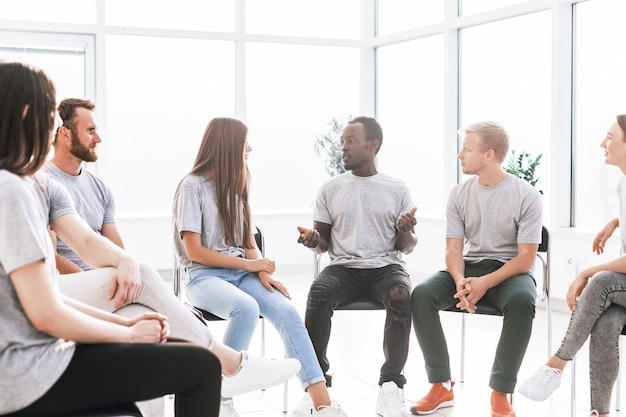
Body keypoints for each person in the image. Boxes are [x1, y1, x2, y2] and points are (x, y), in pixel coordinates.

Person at [42, 98, 300, 411]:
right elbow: (50, 258)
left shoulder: (99, 188)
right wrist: (110, 284)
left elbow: (100, 246)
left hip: (103, 287)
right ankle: (228, 364)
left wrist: (124, 272)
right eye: (91, 130)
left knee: (153, 333)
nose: (99, 137)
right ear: (65, 134)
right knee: (146, 273)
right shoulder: (42, 183)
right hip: (70, 287)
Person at [0, 60, 221, 417]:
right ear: (27, 113)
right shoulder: (9, 190)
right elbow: (45, 314)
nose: (56, 125)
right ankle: (225, 359)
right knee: (201, 368)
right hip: (25, 375)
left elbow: (52, 292)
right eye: (51, 113)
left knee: (171, 350)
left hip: (41, 356)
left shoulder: (26, 183)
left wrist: (125, 324)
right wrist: (128, 336)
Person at [173, 117, 348, 417]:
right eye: (245, 144)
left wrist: (263, 272)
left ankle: (323, 404)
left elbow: (247, 242)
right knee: (246, 307)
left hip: (243, 273)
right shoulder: (192, 186)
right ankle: (220, 397)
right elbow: (195, 251)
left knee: (288, 311)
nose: (250, 149)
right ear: (228, 146)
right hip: (203, 277)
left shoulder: (236, 187)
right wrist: (250, 263)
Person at [410, 121, 543, 417]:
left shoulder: (527, 195)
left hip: (510, 272)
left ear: (489, 154)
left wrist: (484, 283)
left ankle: (501, 392)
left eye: (467, 149)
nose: (460, 155)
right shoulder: (459, 194)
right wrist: (460, 279)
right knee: (421, 294)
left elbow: (525, 258)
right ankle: (441, 385)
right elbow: (453, 249)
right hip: (469, 267)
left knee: (523, 301)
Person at [296, 116, 418, 417]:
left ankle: (391, 386)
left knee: (401, 293)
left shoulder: (397, 188)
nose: (343, 147)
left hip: (385, 265)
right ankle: (316, 384)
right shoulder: (330, 189)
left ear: (372, 145)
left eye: (350, 141)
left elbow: (406, 246)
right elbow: (323, 242)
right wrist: (313, 240)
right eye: (341, 142)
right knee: (319, 290)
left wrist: (405, 228)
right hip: (344, 267)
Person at [519, 114, 626, 417]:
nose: (602, 143)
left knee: (602, 281)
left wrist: (585, 272)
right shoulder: (623, 183)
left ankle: (556, 365)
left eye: (609, 137)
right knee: (605, 324)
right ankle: (600, 413)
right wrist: (615, 222)